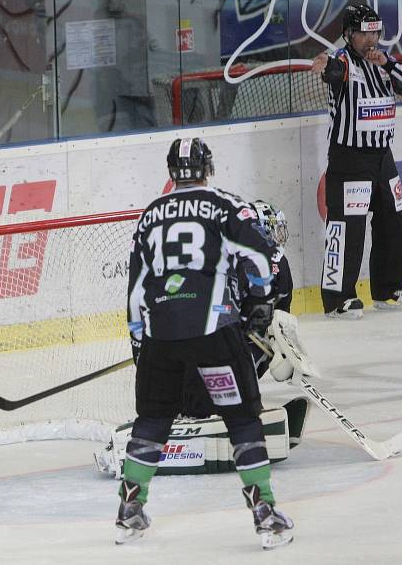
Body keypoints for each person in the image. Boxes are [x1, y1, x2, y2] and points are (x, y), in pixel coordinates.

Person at [119, 137, 294, 550]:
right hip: (215, 334)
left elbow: (134, 290)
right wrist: (261, 302)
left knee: (153, 420)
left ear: (170, 171)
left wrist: (139, 344)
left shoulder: (149, 216)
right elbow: (261, 256)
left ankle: (130, 508)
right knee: (241, 418)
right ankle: (264, 511)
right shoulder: (226, 205)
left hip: (160, 337)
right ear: (207, 168)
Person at [311, 3, 402, 319]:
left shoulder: (386, 61)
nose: (371, 39)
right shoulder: (344, 61)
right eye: (364, 33)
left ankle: (388, 289)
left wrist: (387, 62)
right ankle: (337, 298)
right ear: (349, 34)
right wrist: (325, 65)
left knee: (395, 221)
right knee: (347, 229)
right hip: (351, 160)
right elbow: (334, 70)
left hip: (383, 158)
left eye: (375, 32)